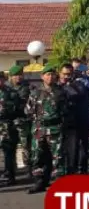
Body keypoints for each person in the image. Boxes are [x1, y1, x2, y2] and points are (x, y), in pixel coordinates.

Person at [27, 64, 68, 194]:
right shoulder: (35, 93)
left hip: (55, 128)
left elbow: (66, 110)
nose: (50, 77)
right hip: (39, 129)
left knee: (58, 157)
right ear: (42, 77)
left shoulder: (61, 92)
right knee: (37, 156)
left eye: (52, 74)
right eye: (47, 74)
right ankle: (39, 182)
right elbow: (28, 110)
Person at [8, 65, 31, 180]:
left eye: (20, 75)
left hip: (23, 121)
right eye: (16, 75)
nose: (19, 77)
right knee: (10, 148)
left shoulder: (26, 87)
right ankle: (11, 172)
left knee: (26, 146)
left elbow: (23, 103)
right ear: (11, 76)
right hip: (9, 122)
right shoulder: (6, 88)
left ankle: (29, 170)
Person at [0, 70, 20, 185]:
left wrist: (5, 107)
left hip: (6, 125)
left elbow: (17, 109)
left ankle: (10, 176)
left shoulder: (11, 92)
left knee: (9, 152)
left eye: (1, 79)